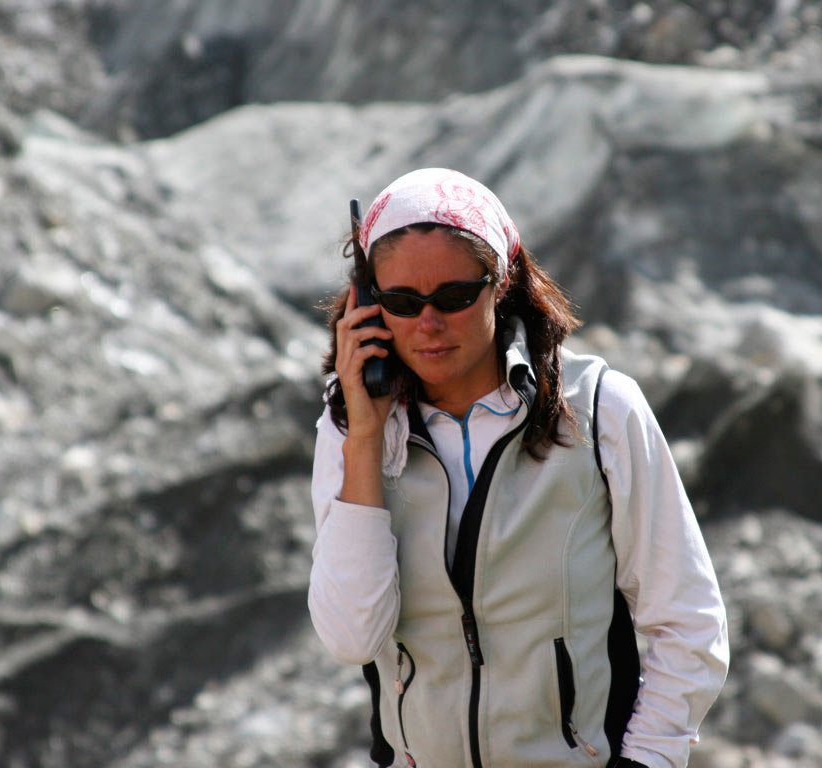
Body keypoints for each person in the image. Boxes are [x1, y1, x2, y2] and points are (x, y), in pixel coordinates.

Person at [308, 167, 728, 768]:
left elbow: (687, 618)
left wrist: (647, 761)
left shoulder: (600, 408)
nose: (428, 323)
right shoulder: (350, 432)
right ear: (369, 304)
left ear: (500, 282)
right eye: (402, 302)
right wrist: (366, 440)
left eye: (454, 297)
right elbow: (352, 636)